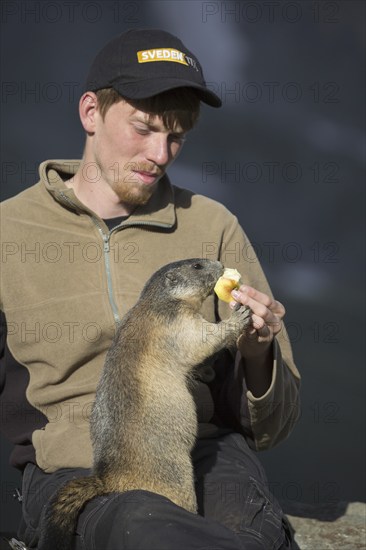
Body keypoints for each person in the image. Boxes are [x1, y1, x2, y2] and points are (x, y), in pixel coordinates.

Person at [0, 29, 301, 549]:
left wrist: (259, 352)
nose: (160, 153)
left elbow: (275, 424)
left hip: (206, 455)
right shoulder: (10, 231)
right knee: (146, 528)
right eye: (143, 128)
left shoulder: (213, 225)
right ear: (91, 112)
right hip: (83, 471)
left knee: (253, 532)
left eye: (177, 136)